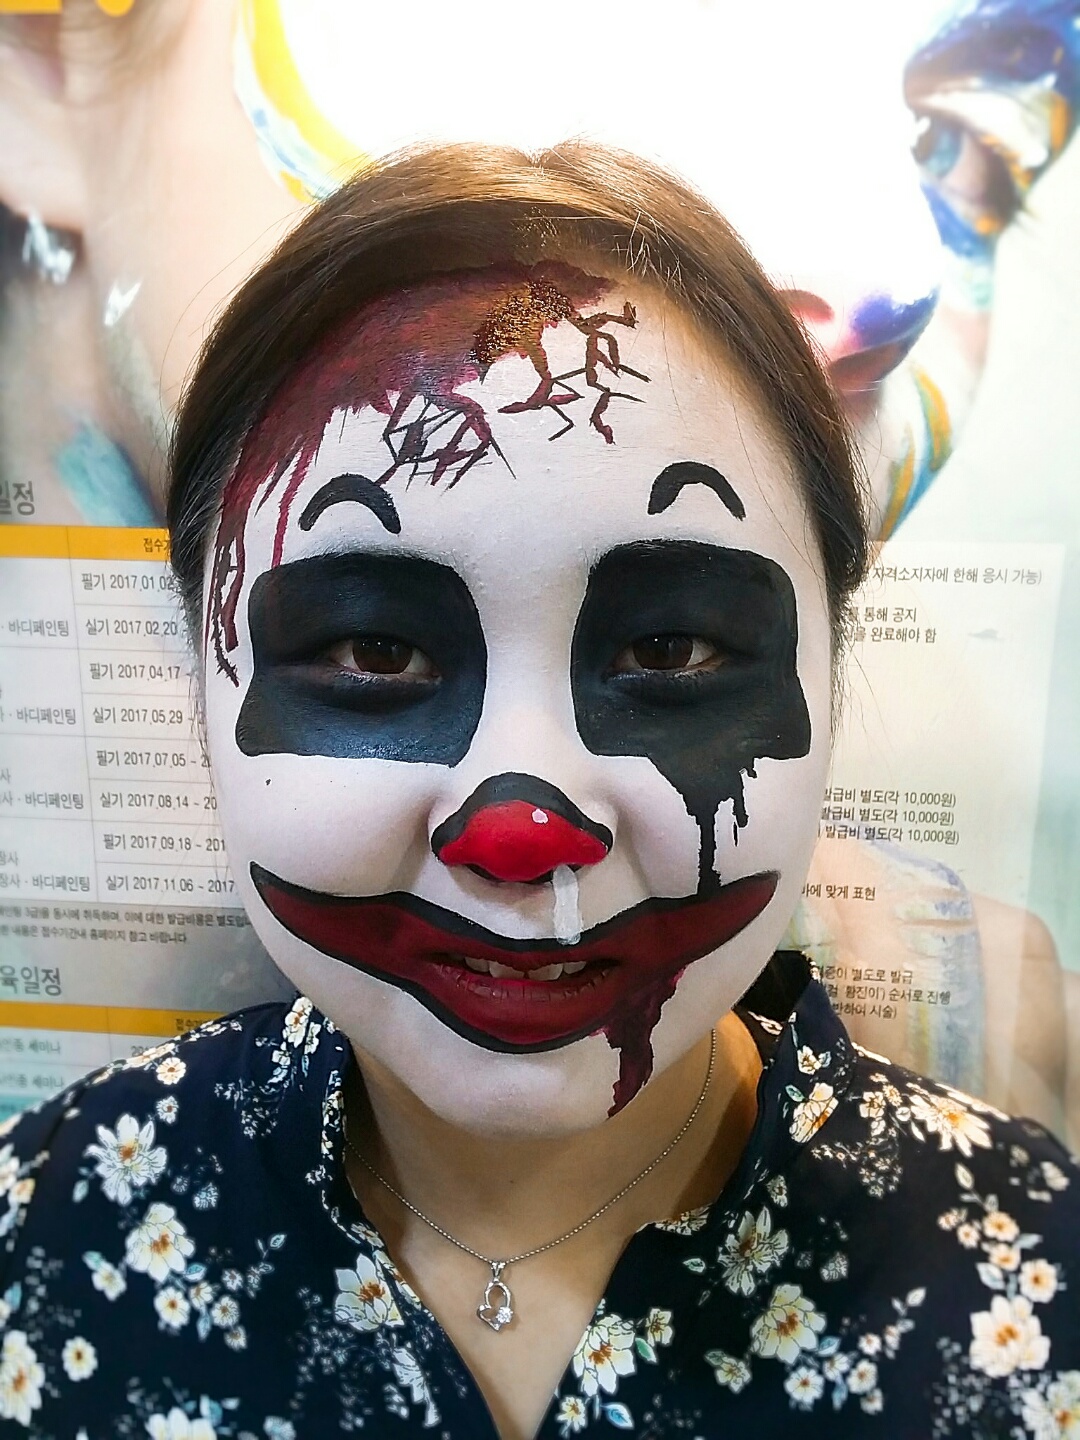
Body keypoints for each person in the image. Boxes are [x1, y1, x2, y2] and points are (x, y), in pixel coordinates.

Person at [0, 143, 1077, 1440]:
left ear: (832, 669)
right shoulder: (48, 1233)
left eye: (669, 650)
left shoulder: (1030, 1289)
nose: (523, 831)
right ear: (201, 681)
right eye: (374, 652)